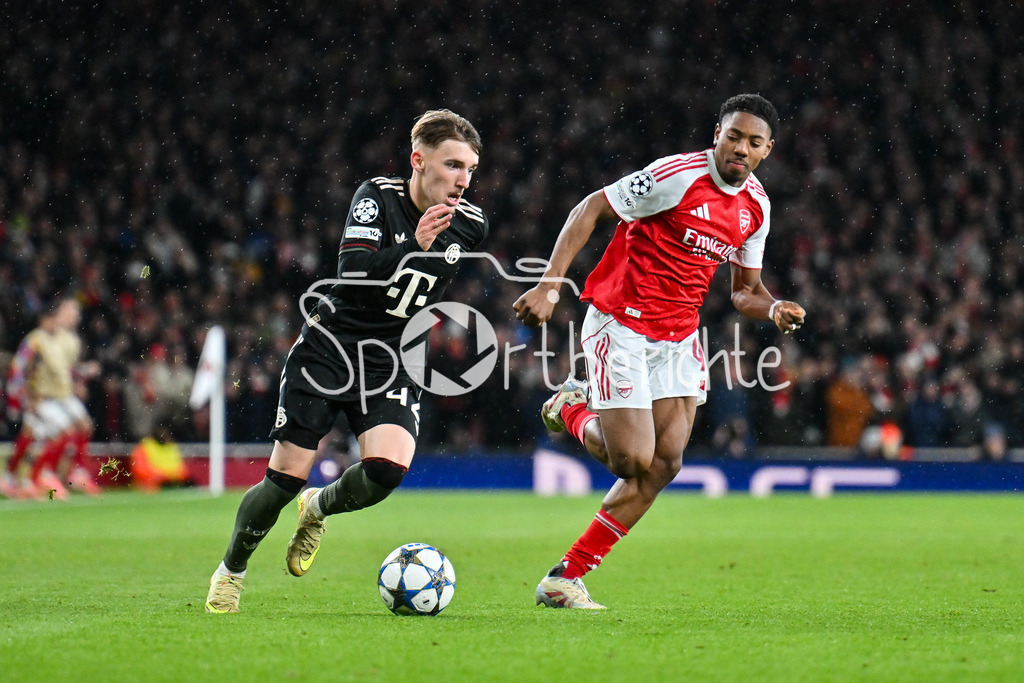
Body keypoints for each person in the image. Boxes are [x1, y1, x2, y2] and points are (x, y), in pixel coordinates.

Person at [514, 94, 805, 609]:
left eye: (753, 142)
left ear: (767, 150)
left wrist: (774, 306)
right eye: (733, 136)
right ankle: (573, 408)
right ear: (717, 133)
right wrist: (550, 285)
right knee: (631, 459)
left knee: (666, 463)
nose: (740, 148)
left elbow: (744, 291)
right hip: (619, 321)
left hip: (678, 336)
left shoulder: (756, 207)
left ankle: (565, 577)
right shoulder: (675, 176)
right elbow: (591, 207)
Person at [205, 109, 488, 613]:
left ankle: (318, 508)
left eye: (469, 168)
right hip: (330, 349)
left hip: (391, 359)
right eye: (452, 165)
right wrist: (414, 245)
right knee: (282, 480)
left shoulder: (470, 225)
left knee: (386, 472)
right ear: (418, 161)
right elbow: (352, 270)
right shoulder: (375, 197)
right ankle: (232, 570)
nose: (463, 180)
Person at [1, 297, 100, 500]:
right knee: (50, 434)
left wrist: (78, 380)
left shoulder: (59, 340)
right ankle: (36, 476)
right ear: (44, 319)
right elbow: (19, 367)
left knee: (37, 436)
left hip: (58, 396)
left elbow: (64, 370)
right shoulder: (35, 340)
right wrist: (19, 396)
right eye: (53, 319)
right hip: (40, 397)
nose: (56, 323)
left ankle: (28, 477)